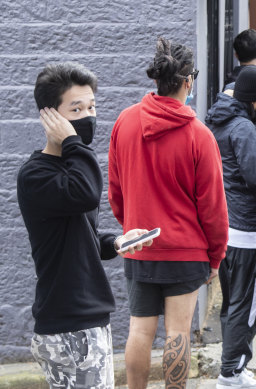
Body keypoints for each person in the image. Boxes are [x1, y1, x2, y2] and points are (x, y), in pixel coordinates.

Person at [17, 62, 152, 388]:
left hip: (84, 321)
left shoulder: (71, 171)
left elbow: (80, 233)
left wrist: (116, 242)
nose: (88, 115)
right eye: (76, 108)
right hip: (69, 324)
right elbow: (87, 194)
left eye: (91, 106)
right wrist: (74, 142)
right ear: (50, 116)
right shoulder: (37, 175)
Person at [108, 38, 229, 389]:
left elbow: (116, 191)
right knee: (178, 333)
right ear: (187, 82)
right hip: (186, 251)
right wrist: (215, 255)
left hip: (140, 246)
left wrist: (131, 228)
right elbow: (214, 207)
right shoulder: (199, 135)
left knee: (139, 329)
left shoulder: (125, 122)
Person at [206, 65, 256, 389]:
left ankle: (232, 369)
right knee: (248, 306)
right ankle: (232, 373)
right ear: (254, 99)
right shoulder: (243, 129)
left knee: (231, 304)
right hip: (248, 231)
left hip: (226, 229)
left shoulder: (218, 122)